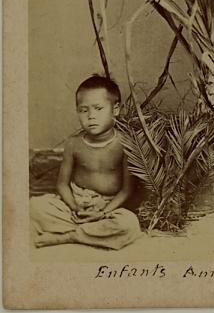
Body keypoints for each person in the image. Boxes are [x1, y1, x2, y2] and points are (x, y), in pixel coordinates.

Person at [30, 75, 141, 249]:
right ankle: (90, 231)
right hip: (75, 203)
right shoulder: (73, 143)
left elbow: (127, 189)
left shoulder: (125, 144)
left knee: (129, 225)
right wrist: (75, 208)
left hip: (107, 206)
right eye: (83, 110)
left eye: (98, 108)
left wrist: (103, 212)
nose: (91, 116)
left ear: (116, 109)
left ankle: (68, 236)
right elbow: (62, 185)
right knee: (34, 206)